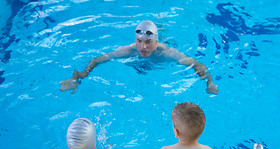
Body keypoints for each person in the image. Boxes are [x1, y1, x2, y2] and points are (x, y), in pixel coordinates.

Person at [60, 20, 218, 95]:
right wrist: (77, 77)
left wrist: (209, 83)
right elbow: (96, 60)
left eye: (148, 42)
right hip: (138, 64)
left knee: (167, 37)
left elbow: (198, 65)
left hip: (157, 56)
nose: (143, 47)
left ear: (156, 41)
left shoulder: (167, 53)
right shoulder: (127, 51)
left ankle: (162, 28)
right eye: (139, 42)